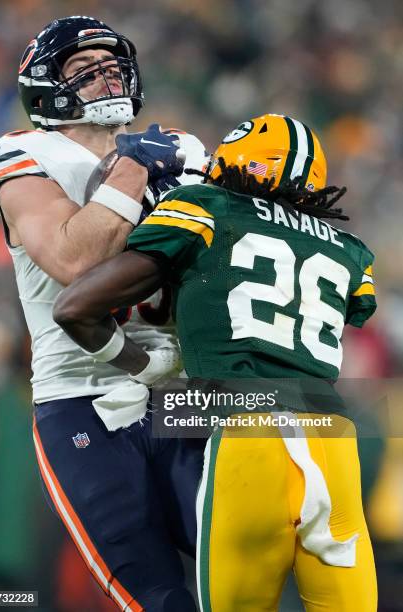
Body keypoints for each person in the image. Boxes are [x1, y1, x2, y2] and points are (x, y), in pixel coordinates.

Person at [53, 114, 378, 611]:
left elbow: (74, 308)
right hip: (333, 441)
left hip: (246, 434)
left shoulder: (204, 207)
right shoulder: (352, 251)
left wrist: (142, 365)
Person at [0, 15, 209, 612]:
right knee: (158, 598)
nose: (106, 79)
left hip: (186, 396)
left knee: (242, 575)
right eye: (85, 70)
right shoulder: (25, 153)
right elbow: (73, 261)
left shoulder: (184, 153)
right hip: (84, 397)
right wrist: (134, 168)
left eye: (113, 67)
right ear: (46, 88)